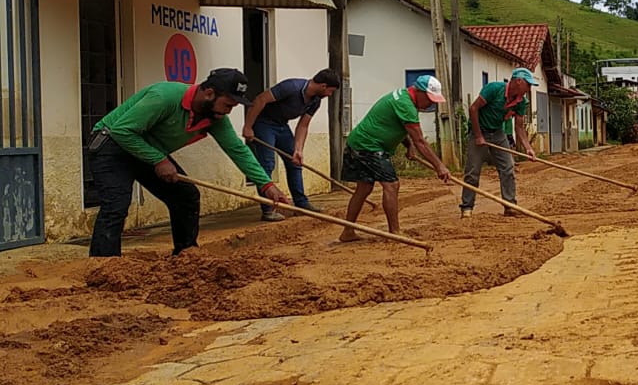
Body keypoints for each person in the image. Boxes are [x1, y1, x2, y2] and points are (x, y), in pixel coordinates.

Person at [86, 68, 290, 257]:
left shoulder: (215, 117)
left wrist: (267, 186)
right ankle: (103, 265)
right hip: (111, 145)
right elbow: (122, 130)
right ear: (209, 93)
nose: (229, 111)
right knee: (116, 205)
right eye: (228, 104)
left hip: (147, 149)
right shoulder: (164, 97)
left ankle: (186, 255)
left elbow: (237, 150)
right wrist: (159, 160)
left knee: (185, 195)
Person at [339, 74, 451, 242]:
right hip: (368, 146)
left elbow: (398, 127)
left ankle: (348, 232)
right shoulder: (405, 105)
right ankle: (395, 232)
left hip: (360, 142)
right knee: (391, 185)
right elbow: (420, 141)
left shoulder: (404, 98)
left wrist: (408, 146)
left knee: (364, 188)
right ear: (418, 91)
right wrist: (439, 166)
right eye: (429, 99)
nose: (431, 104)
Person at [241, 69, 341, 221]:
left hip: (282, 125)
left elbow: (303, 126)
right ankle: (268, 209)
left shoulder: (315, 101)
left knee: (294, 162)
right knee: (267, 164)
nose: (329, 95)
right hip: (264, 123)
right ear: (323, 86)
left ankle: (301, 204)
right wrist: (248, 126)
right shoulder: (291, 87)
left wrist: (298, 149)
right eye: (330, 91)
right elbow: (260, 99)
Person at [460, 67, 538, 218]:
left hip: (497, 133)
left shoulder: (521, 102)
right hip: (479, 130)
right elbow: (473, 108)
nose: (529, 88)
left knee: (508, 167)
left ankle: (509, 206)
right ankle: (466, 208)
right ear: (519, 81)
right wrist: (478, 136)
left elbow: (519, 127)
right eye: (528, 85)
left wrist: (528, 148)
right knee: (472, 172)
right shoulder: (494, 89)